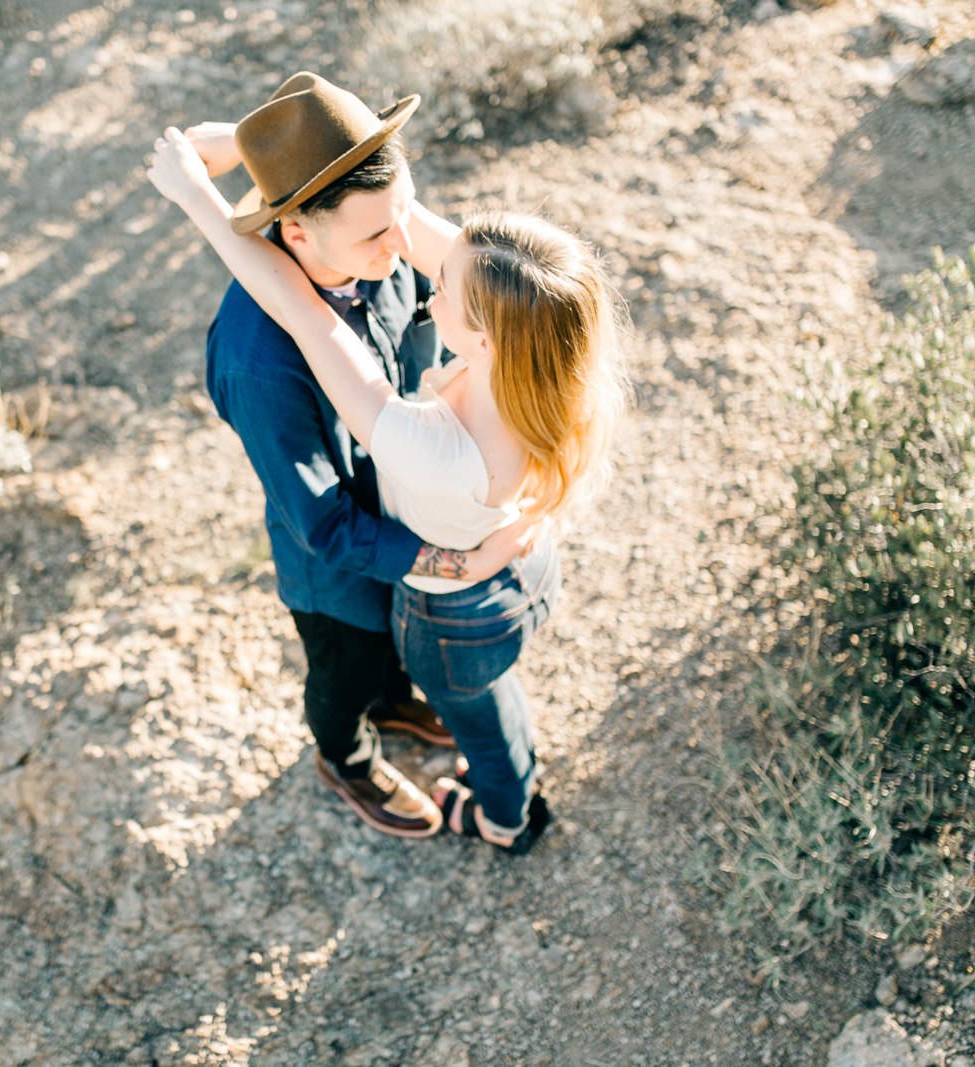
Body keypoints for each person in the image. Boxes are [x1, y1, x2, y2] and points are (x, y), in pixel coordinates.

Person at [150, 80, 627, 853]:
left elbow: (365, 250)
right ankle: (347, 756)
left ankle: (403, 703)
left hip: (434, 537)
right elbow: (321, 521)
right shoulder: (258, 359)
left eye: (405, 214)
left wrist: (217, 174)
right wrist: (249, 146)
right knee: (345, 665)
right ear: (298, 235)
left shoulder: (404, 253)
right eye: (379, 232)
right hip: (346, 556)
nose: (404, 242)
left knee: (404, 657)